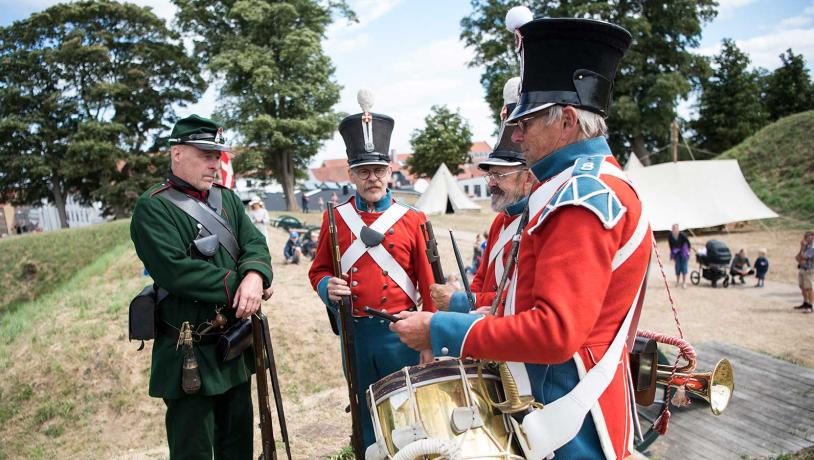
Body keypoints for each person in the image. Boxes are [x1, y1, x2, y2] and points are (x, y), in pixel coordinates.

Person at [392, 15, 650, 459]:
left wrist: (440, 328)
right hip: (547, 407)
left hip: (569, 424)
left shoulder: (579, 196)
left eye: (527, 122)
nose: (515, 133)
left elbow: (555, 332)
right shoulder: (582, 184)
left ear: (567, 121)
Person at [130, 114, 273, 459]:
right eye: (206, 155)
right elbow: (177, 271)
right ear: (177, 154)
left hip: (233, 346)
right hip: (189, 350)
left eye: (217, 156)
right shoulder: (154, 207)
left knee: (238, 446)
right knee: (192, 451)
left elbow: (255, 244)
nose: (215, 164)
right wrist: (242, 285)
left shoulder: (226, 200)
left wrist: (255, 276)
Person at [307, 90, 437, 449]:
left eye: (379, 170)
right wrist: (325, 288)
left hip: (404, 333)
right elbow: (318, 270)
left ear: (390, 171)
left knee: (410, 417)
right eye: (364, 171)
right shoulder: (334, 219)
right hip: (357, 335)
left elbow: (429, 285)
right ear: (352, 175)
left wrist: (430, 340)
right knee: (365, 416)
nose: (372, 178)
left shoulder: (413, 219)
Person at [430, 76, 534, 315]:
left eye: (500, 175)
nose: (492, 183)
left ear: (527, 177)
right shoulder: (500, 221)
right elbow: (479, 281)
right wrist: (466, 301)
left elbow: (522, 297)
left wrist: (462, 301)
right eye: (491, 175)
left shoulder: (538, 221)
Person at [795, 231, 814, 312]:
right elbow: (797, 257)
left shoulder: (812, 248)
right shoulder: (806, 246)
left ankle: (810, 305)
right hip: (802, 269)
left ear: (812, 237)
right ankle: (805, 302)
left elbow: (803, 257)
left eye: (807, 236)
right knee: (802, 286)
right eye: (805, 236)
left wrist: (802, 249)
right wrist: (802, 248)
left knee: (809, 288)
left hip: (809, 270)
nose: (805, 237)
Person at [668, 223, 691, 288]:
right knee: (677, 267)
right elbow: (671, 246)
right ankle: (677, 282)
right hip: (676, 252)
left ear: (678, 229)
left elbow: (688, 243)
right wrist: (673, 254)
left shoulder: (682, 235)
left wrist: (688, 251)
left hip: (684, 252)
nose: (674, 230)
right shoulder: (670, 236)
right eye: (673, 228)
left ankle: (684, 282)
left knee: (684, 267)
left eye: (675, 228)